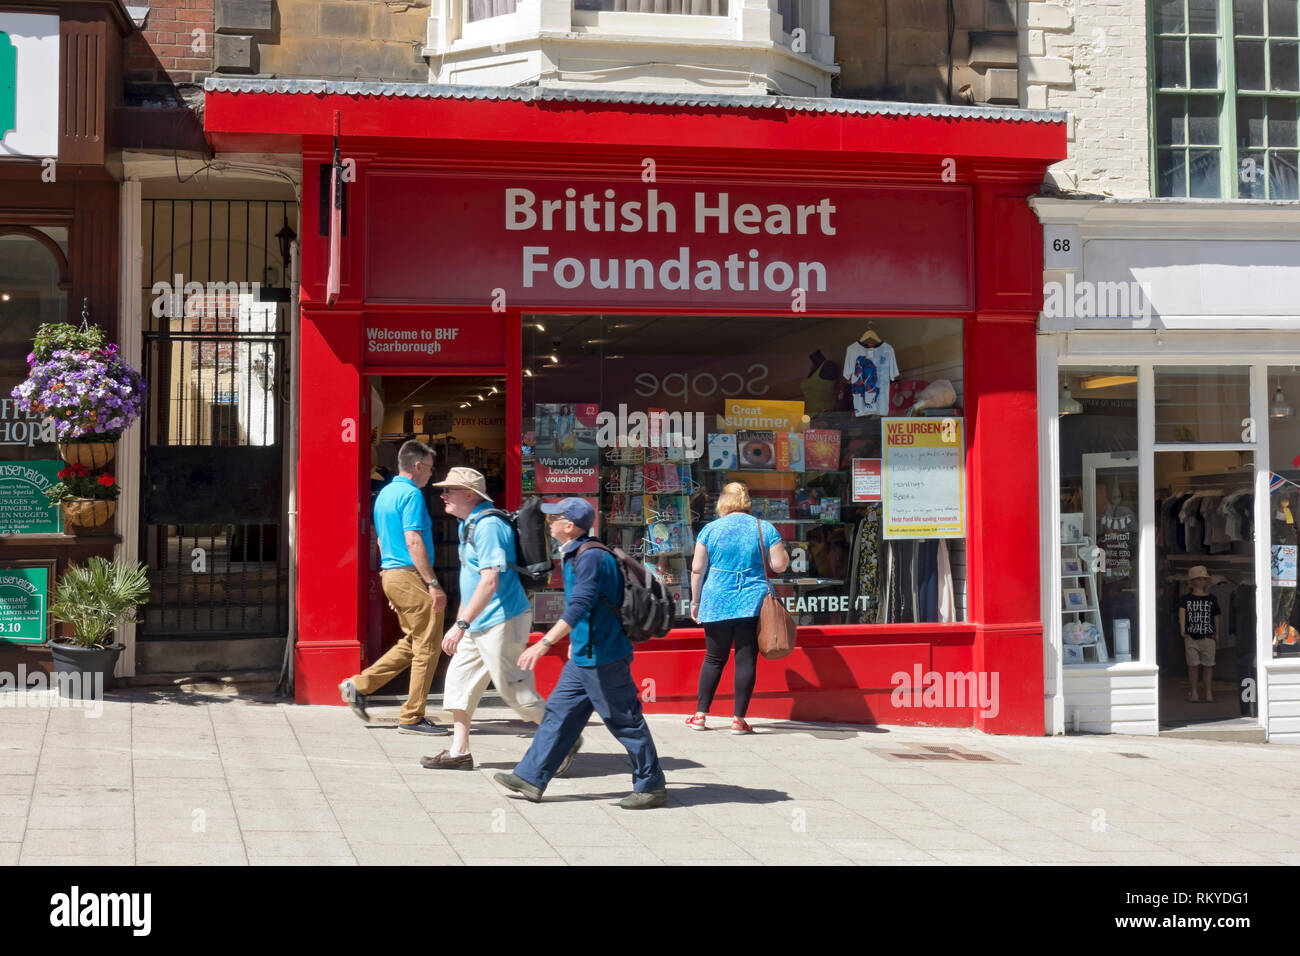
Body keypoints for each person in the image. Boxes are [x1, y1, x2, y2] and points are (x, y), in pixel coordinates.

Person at [495, 497, 667, 809]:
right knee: (558, 715)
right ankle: (531, 777)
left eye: (553, 519)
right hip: (585, 655)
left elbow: (581, 604)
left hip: (604, 656)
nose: (548, 524)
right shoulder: (581, 551)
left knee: (625, 721)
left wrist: (544, 643)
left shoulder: (589, 557)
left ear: (569, 526)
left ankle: (651, 784)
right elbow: (591, 607)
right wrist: (575, 639)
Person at [419, 467, 546, 769]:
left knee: (514, 690)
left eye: (449, 490)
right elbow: (472, 580)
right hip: (477, 621)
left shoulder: (489, 526)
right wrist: (461, 623)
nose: (443, 495)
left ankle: (562, 739)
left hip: (502, 620)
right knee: (459, 683)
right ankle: (459, 751)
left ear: (469, 495)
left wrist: (461, 624)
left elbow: (490, 581)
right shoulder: (469, 524)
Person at [339, 439, 451, 735]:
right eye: (429, 468)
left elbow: (379, 539)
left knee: (413, 642)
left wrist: (399, 585)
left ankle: (358, 685)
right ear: (416, 466)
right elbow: (413, 540)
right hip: (409, 574)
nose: (431, 474)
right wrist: (432, 584)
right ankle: (412, 716)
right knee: (427, 646)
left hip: (393, 574)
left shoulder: (386, 493)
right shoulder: (412, 495)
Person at [687, 481, 789, 734]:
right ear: (747, 502)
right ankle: (738, 720)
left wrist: (696, 601)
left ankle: (700, 715)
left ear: (723, 502)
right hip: (752, 602)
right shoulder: (763, 527)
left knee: (713, 658)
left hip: (716, 599)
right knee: (746, 659)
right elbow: (779, 565)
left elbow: (698, 569)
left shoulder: (710, 530)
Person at [1181, 565, 1220, 703]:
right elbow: (1182, 614)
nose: (1201, 582)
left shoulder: (1212, 599)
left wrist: (1217, 634)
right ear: (1192, 582)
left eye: (1203, 579)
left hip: (1208, 636)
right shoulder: (1185, 599)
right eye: (1198, 579)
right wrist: (1183, 631)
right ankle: (1195, 693)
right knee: (1193, 666)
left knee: (1208, 666)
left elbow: (1216, 617)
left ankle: (1208, 693)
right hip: (1191, 636)